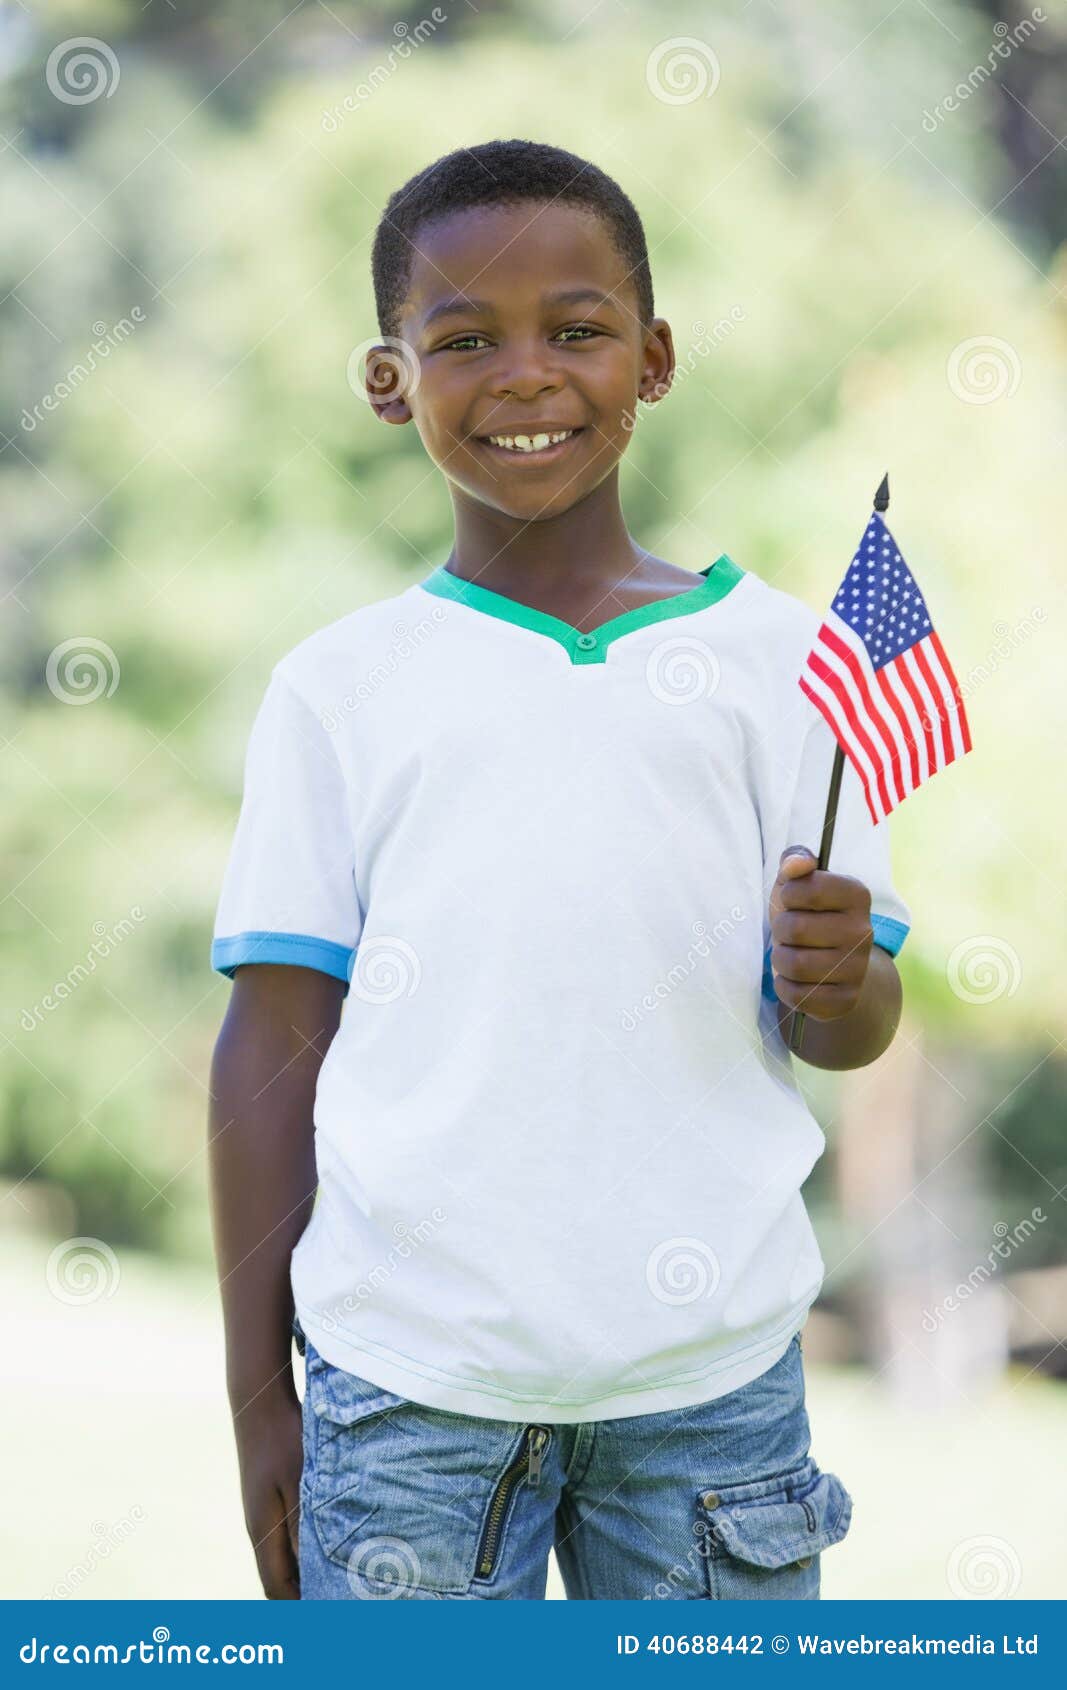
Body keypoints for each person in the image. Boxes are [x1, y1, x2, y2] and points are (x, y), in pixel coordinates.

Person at [207, 139, 910, 1601]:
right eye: (463, 340)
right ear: (389, 378)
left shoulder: (789, 663)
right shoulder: (342, 687)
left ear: (652, 358)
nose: (526, 374)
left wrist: (849, 978)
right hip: (410, 1394)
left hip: (711, 1388)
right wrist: (260, 1402)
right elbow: (272, 1045)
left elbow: (844, 1029)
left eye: (577, 330)